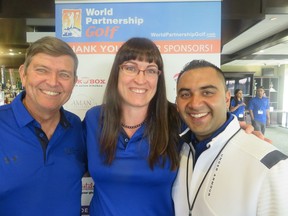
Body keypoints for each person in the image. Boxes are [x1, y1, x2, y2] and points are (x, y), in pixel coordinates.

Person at [172, 59, 288, 216]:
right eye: (185, 94)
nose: (195, 103)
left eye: (207, 92)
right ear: (177, 103)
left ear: (227, 99)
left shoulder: (271, 166)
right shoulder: (177, 148)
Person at [83, 37, 181, 216]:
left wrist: (241, 133)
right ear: (117, 72)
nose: (140, 79)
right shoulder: (94, 119)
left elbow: (210, 143)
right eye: (130, 68)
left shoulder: (175, 120)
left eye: (150, 71)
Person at [0, 36, 87, 216]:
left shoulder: (77, 126)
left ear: (74, 81)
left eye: (64, 74)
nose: (53, 82)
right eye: (42, 70)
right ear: (23, 74)